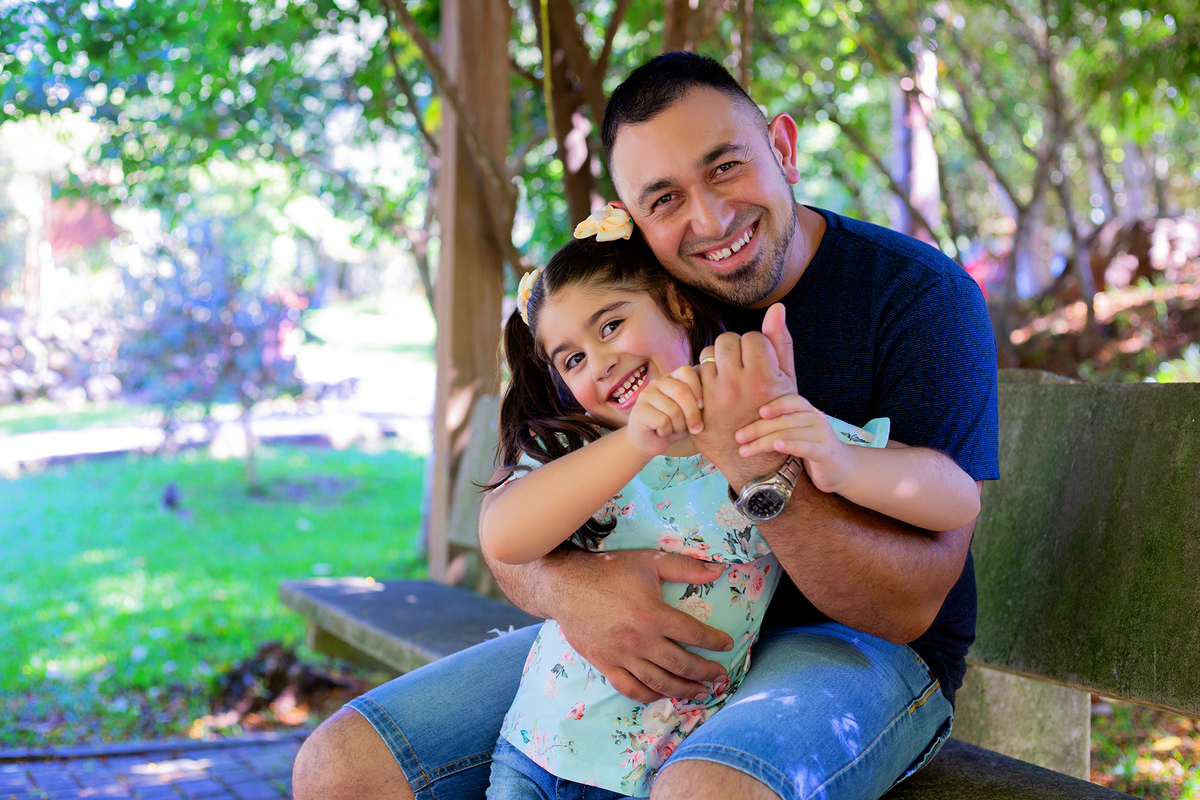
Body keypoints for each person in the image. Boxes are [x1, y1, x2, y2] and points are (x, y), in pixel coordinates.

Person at [293, 52, 999, 800]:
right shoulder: (626, 316)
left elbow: (909, 603)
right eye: (665, 198)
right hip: (655, 619)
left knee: (703, 792)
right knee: (341, 768)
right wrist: (575, 591)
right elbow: (512, 522)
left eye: (726, 167)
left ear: (783, 149)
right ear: (632, 219)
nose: (711, 220)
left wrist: (763, 469)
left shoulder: (917, 297)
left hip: (856, 647)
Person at [479, 213, 981, 798]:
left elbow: (956, 499)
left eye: (611, 326)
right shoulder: (580, 446)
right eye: (573, 360)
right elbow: (506, 538)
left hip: (657, 766)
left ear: (676, 304)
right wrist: (637, 441)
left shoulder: (755, 423)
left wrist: (842, 460)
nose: (600, 362)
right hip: (537, 751)